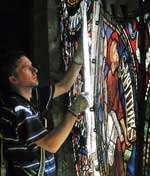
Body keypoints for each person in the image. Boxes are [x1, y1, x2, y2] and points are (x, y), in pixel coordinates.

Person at [0, 48, 88, 176]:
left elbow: (64, 86)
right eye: (26, 68)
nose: (35, 70)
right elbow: (51, 144)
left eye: (32, 66)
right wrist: (74, 111)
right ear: (13, 79)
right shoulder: (17, 109)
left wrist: (77, 61)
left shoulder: (32, 96)